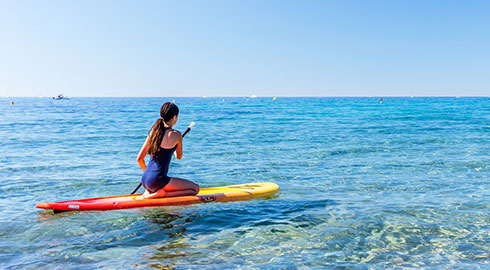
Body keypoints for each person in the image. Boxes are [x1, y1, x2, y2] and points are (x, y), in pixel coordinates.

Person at [136, 102, 199, 199]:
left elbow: (139, 159)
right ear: (174, 117)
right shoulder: (176, 134)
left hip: (145, 180)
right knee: (195, 189)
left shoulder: (154, 132)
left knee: (158, 180)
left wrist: (150, 175)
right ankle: (163, 194)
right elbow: (179, 156)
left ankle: (151, 192)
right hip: (158, 181)